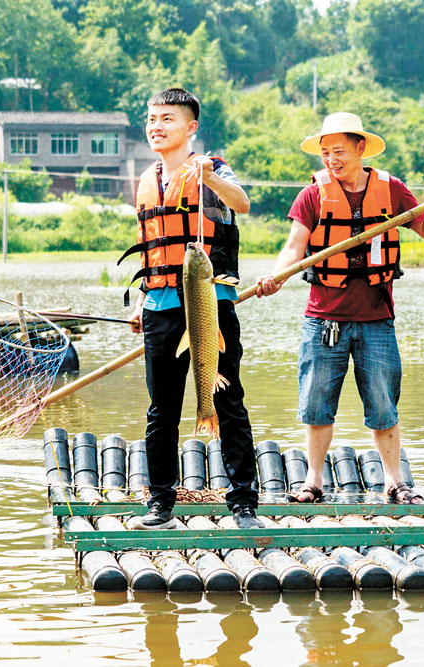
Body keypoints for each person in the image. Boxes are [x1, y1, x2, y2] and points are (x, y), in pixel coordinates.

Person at [255, 111, 424, 504]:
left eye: (338, 151)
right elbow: (294, 246)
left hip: (376, 318)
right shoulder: (313, 194)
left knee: (383, 403)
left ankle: (394, 481)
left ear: (359, 148)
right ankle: (313, 481)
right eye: (324, 153)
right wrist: (276, 276)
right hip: (323, 319)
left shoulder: (391, 190)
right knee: (316, 404)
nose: (331, 160)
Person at [122, 88, 262, 529]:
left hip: (210, 303)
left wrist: (209, 177)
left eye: (166, 118)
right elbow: (151, 247)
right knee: (161, 409)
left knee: (227, 400)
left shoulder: (213, 168)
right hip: (160, 305)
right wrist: (143, 302)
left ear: (190, 127)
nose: (156, 126)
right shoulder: (147, 179)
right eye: (151, 119)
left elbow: (241, 202)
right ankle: (160, 502)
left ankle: (243, 503)